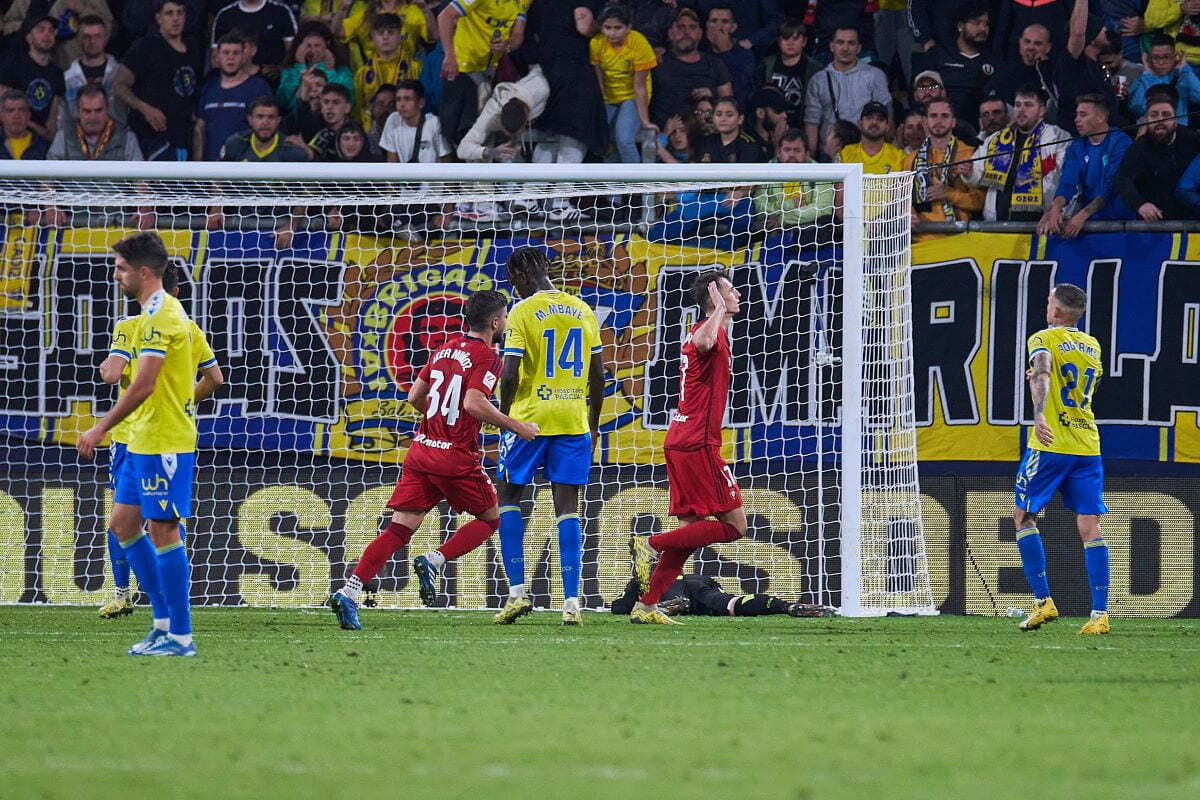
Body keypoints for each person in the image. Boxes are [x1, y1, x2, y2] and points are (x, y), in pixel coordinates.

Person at [328, 290, 538, 629]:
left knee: (398, 529)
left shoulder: (444, 348)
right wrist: (517, 426)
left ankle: (348, 591)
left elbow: (415, 396)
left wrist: (442, 419)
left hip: (422, 449)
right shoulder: (487, 357)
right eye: (507, 317)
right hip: (455, 457)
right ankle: (435, 559)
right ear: (496, 322)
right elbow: (472, 403)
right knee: (491, 519)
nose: (508, 323)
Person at [77, 233, 205, 655]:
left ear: (144, 272)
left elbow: (145, 384)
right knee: (123, 525)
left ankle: (180, 635)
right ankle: (163, 624)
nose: (116, 275)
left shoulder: (163, 315)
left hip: (164, 439)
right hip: (143, 438)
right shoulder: (149, 313)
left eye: (121, 268)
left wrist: (100, 428)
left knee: (164, 530)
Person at [96, 264, 223, 620]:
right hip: (171, 439)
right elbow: (214, 378)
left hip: (132, 438)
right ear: (178, 293)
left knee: (127, 523)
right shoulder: (189, 330)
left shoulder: (129, 327)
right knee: (162, 522)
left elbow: (110, 373)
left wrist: (111, 364)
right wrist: (184, 402)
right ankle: (160, 597)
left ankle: (127, 594)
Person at [493, 247, 605, 626]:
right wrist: (593, 420)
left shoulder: (523, 311)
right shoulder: (583, 310)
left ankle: (516, 594)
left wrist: (505, 417)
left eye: (513, 281)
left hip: (530, 420)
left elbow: (509, 373)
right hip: (573, 420)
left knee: (507, 496)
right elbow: (598, 376)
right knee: (567, 507)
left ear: (521, 277)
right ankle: (572, 601)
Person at [629, 270, 747, 625]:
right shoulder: (704, 331)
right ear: (714, 296)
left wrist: (718, 308)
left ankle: (647, 605)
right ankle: (652, 543)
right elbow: (705, 343)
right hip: (697, 443)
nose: (738, 293)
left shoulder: (710, 331)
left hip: (681, 439)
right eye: (730, 289)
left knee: (689, 535)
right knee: (735, 527)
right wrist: (717, 308)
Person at [1013, 283, 1110, 636]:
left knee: (1023, 516)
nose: (1047, 307)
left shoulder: (1043, 338)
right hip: (1087, 444)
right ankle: (1099, 615)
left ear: (1055, 311)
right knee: (1090, 527)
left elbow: (1042, 373)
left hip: (1051, 444)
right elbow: (1087, 388)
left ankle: (1043, 601)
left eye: (1048, 301)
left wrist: (1039, 414)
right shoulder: (1093, 345)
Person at [113, 0, 201, 161]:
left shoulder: (193, 47)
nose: (176, 18)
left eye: (180, 13)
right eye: (170, 13)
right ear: (158, 18)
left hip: (183, 137)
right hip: (152, 137)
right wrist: (144, 108)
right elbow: (118, 85)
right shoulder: (145, 46)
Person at [1036, 94, 1133, 238]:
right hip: (1091, 225)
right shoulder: (1076, 146)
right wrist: (1055, 209)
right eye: (1076, 114)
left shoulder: (1121, 142)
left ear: (1100, 117)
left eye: (1083, 115)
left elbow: (1111, 186)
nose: (1076, 119)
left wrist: (1082, 215)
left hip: (1121, 225)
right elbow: (1068, 181)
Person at [968, 85, 1068, 221]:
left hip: (1041, 225)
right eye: (1017, 105)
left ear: (1042, 110)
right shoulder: (996, 139)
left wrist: (1059, 213)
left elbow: (1068, 181)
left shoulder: (1058, 137)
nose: (1021, 110)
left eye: (1028, 105)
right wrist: (968, 172)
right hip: (998, 224)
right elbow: (976, 173)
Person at [437, 0, 530, 145]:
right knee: (453, 133)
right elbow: (445, 17)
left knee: (478, 133)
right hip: (461, 68)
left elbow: (518, 35)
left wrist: (507, 45)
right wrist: (449, 56)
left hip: (489, 72)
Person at [1113, 85, 1200, 220]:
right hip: (1154, 224)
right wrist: (1140, 205)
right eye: (1154, 115)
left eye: (1166, 115)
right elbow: (1122, 179)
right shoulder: (1139, 147)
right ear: (1146, 120)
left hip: (1190, 220)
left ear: (1176, 120)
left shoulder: (1192, 138)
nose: (1160, 120)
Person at [803, 26, 891, 154]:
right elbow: (812, 122)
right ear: (831, 46)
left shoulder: (875, 75)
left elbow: (886, 115)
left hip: (866, 153)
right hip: (830, 154)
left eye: (851, 43)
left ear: (858, 48)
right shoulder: (818, 80)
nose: (845, 48)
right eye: (840, 42)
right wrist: (811, 157)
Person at [904, 97, 983, 234]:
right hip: (921, 240)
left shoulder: (970, 154)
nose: (939, 121)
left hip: (958, 240)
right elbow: (902, 199)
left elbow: (979, 202)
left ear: (953, 122)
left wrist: (948, 193)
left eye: (944, 116)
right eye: (933, 116)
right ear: (925, 122)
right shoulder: (910, 160)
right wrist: (908, 213)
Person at [591, 5, 657, 164]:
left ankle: (637, 185)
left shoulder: (639, 43)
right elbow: (599, 81)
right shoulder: (596, 43)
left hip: (632, 96)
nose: (612, 33)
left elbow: (640, 88)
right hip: (608, 97)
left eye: (617, 28)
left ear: (628, 28)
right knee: (603, 139)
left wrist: (644, 121)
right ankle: (614, 186)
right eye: (607, 28)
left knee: (624, 139)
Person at [915, 2, 997, 129]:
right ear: (960, 26)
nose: (983, 29)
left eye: (986, 24)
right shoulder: (937, 56)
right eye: (976, 23)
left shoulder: (993, 61)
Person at [610, 573, 836, 618]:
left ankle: (670, 605)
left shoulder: (641, 579)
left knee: (659, 601)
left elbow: (617, 607)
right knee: (732, 605)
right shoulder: (682, 573)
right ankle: (786, 607)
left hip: (668, 589)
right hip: (700, 584)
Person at [195, 32, 274, 161]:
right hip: (212, 169)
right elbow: (200, 128)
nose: (230, 57)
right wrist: (197, 165)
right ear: (217, 57)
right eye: (226, 53)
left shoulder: (259, 87)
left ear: (243, 56)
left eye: (236, 53)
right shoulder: (208, 89)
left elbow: (268, 126)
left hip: (247, 168)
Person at [648, 8, 732, 126]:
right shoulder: (657, 62)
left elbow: (729, 104)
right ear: (670, 33)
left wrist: (712, 94)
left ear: (700, 34)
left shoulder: (715, 64)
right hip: (666, 136)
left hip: (706, 134)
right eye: (681, 27)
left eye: (692, 27)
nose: (687, 32)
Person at [752, 128, 837, 229]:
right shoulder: (767, 172)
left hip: (809, 229)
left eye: (797, 150)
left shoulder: (820, 172)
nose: (791, 155)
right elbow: (759, 209)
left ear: (807, 154)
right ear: (778, 152)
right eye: (787, 150)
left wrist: (784, 218)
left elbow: (823, 209)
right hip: (771, 228)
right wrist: (789, 204)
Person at [0, 16, 66, 143]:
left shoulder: (57, 73)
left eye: (51, 30)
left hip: (40, 142)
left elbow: (53, 119)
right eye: (41, 30)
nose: (47, 34)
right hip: (8, 138)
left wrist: (46, 135)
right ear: (29, 38)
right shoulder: (12, 65)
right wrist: (34, 127)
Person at [276, 21, 355, 113]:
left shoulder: (341, 70)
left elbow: (348, 101)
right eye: (308, 46)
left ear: (327, 44)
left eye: (317, 45)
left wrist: (330, 71)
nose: (313, 50)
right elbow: (283, 103)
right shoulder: (290, 70)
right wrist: (300, 67)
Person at [211, 0, 300, 82]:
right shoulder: (225, 15)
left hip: (274, 83)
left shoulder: (281, 11)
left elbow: (294, 52)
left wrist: (281, 70)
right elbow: (216, 59)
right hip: (233, 82)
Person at [756, 19, 821, 129]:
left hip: (802, 126)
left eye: (795, 38)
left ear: (804, 41)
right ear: (778, 41)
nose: (790, 43)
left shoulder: (815, 69)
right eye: (786, 38)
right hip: (771, 126)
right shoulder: (766, 65)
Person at [48, 85, 143, 160]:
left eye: (99, 110)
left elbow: (141, 181)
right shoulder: (63, 137)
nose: (93, 117)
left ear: (108, 109)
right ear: (78, 111)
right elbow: (47, 179)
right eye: (87, 111)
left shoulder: (126, 137)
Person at [334, 0, 434, 71]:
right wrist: (342, 8)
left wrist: (425, 11)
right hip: (372, 76)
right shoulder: (365, 15)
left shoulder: (413, 12)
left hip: (405, 73)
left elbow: (433, 36)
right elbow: (337, 32)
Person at [355, 13, 416, 129]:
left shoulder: (415, 67)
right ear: (373, 37)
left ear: (399, 36)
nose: (385, 37)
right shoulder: (362, 73)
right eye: (380, 33)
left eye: (391, 32)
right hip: (371, 131)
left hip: (407, 128)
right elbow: (359, 107)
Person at [61, 15, 120, 129]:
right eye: (86, 36)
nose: (92, 41)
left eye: (97, 36)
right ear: (78, 39)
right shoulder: (67, 78)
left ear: (105, 38)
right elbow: (63, 120)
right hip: (79, 141)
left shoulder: (119, 74)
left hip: (116, 139)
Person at [1128, 34, 1200, 123]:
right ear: (1149, 58)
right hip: (1150, 131)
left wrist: (1184, 69)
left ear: (1174, 56)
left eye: (1166, 57)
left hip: (1177, 131)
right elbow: (1137, 109)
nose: (1161, 62)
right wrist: (1147, 76)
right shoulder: (1143, 78)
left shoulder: (1183, 76)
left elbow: (1198, 97)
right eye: (1156, 58)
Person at [379, 79, 451, 162]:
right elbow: (392, 162)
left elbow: (446, 160)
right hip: (405, 174)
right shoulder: (393, 119)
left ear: (421, 103)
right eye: (398, 99)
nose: (402, 104)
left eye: (407, 99)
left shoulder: (434, 123)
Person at [219, 95, 310, 160]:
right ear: (250, 120)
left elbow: (309, 185)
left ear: (278, 121)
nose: (265, 122)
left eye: (271, 117)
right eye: (260, 117)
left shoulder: (291, 150)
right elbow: (218, 181)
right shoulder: (235, 143)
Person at [702, 4, 754, 104]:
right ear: (707, 25)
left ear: (733, 27)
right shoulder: (700, 53)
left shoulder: (745, 55)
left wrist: (723, 50)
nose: (719, 26)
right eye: (714, 21)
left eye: (725, 22)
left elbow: (737, 87)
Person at [837, 100, 904, 174]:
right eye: (869, 118)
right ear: (860, 124)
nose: (874, 122)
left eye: (880, 119)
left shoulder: (899, 157)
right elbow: (833, 184)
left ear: (887, 127)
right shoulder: (845, 154)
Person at [305, 83, 354, 159]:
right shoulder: (313, 127)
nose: (329, 107)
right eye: (326, 102)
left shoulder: (356, 133)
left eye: (336, 102)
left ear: (347, 108)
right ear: (321, 106)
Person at [0, 91, 50, 160]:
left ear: (29, 115)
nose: (16, 116)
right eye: (10, 111)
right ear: (1, 116)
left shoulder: (44, 147)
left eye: (22, 110)